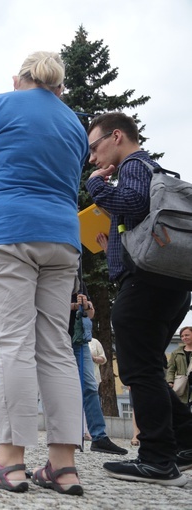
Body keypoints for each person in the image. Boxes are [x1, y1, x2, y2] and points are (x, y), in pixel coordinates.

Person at [0, 51, 87, 496]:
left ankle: (9, 463)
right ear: (58, 86)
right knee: (56, 347)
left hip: (8, 231)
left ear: (20, 78)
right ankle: (63, 467)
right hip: (63, 237)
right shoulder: (74, 123)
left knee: (13, 341)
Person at [85, 111, 192, 486]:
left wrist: (95, 186)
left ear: (117, 136)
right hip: (173, 284)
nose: (93, 158)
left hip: (145, 285)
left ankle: (157, 460)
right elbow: (138, 215)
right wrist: (112, 243)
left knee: (139, 371)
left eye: (94, 148)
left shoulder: (133, 164)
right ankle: (186, 442)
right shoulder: (154, 170)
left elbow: (129, 203)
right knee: (145, 368)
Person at [69, 293, 127, 455]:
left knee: (90, 387)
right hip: (57, 339)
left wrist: (86, 305)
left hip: (80, 341)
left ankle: (99, 436)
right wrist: (74, 307)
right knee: (61, 389)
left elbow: (91, 314)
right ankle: (64, 437)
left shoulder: (79, 282)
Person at [166, 326, 192, 407]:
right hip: (183, 387)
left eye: (187, 335)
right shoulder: (176, 353)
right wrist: (170, 381)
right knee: (184, 412)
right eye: (182, 336)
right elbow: (171, 369)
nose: (184, 338)